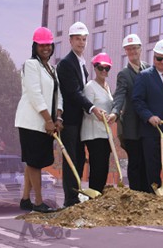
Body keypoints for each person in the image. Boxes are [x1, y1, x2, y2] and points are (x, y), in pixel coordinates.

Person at [13, 27, 62, 213]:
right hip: (31, 122)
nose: (46, 48)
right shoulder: (30, 65)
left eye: (48, 44)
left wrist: (58, 117)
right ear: (35, 46)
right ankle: (39, 202)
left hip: (46, 122)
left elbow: (60, 95)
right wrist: (48, 120)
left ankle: (25, 199)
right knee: (34, 162)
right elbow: (35, 94)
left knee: (34, 161)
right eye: (42, 45)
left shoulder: (52, 69)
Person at [57, 22, 105, 207]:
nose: (81, 43)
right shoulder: (66, 64)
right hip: (70, 122)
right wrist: (92, 108)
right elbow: (74, 93)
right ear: (70, 40)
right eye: (77, 39)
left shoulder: (82, 63)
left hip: (80, 122)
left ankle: (76, 196)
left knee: (78, 158)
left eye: (84, 39)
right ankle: (70, 200)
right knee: (71, 161)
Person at [132, 39, 163, 193]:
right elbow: (137, 100)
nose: (161, 62)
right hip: (153, 131)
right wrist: (149, 116)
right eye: (158, 58)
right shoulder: (144, 76)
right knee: (153, 166)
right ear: (153, 58)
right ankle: (154, 195)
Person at [109, 34, 150, 193]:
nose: (132, 51)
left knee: (148, 162)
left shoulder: (149, 69)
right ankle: (135, 195)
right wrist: (114, 112)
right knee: (135, 163)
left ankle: (147, 195)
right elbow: (119, 95)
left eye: (135, 48)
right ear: (126, 51)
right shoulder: (124, 74)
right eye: (129, 49)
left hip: (148, 126)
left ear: (140, 49)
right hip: (132, 128)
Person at [80, 53, 115, 193]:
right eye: (101, 68)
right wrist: (98, 115)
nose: (104, 71)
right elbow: (86, 109)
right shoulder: (90, 87)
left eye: (107, 68)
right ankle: (93, 196)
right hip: (94, 134)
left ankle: (98, 195)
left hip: (104, 133)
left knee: (103, 169)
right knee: (97, 168)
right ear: (95, 68)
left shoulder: (107, 87)